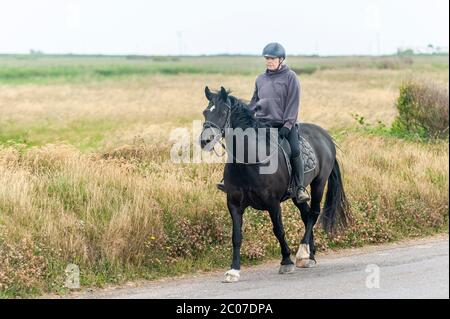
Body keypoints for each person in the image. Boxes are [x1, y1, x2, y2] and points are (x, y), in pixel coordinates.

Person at [217, 42, 310, 203]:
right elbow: (254, 102)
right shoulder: (260, 79)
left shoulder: (290, 77)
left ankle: (299, 188)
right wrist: (246, 116)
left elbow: (293, 104)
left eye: (272, 59)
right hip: (262, 125)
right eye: (267, 58)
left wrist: (288, 125)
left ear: (281, 59)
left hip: (284, 126)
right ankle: (231, 181)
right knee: (240, 146)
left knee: (294, 150)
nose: (269, 61)